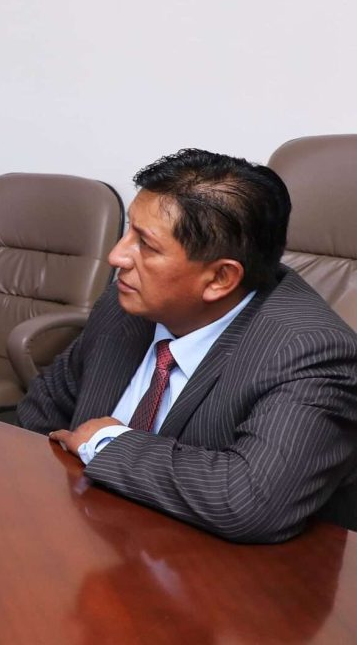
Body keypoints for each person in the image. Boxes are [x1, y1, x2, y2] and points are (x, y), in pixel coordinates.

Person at [18, 149, 357, 543]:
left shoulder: (313, 354)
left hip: (230, 582)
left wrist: (106, 443)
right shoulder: (125, 304)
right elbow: (37, 419)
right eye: (129, 231)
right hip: (91, 545)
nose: (116, 257)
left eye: (145, 245)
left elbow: (249, 501)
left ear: (219, 279)